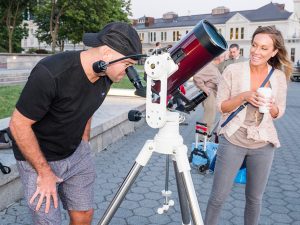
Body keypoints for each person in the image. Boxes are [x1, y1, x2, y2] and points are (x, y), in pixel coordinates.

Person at [9, 22, 142, 225]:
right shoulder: (51, 72)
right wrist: (44, 173)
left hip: (75, 153)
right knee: (48, 221)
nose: (129, 72)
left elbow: (86, 105)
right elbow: (18, 124)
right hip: (38, 157)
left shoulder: (105, 75)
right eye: (127, 65)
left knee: (83, 214)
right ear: (106, 54)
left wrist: (84, 143)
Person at [204, 26, 292, 225]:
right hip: (233, 139)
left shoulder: (277, 77)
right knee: (218, 197)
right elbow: (221, 106)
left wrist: (271, 107)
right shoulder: (233, 70)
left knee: (254, 199)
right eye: (254, 45)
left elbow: (280, 112)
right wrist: (244, 96)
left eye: (263, 48)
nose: (256, 51)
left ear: (274, 52)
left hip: (263, 144)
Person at [193, 57, 221, 134]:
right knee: (208, 117)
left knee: (210, 117)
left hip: (213, 93)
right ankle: (203, 138)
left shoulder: (214, 67)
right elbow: (196, 76)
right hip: (209, 94)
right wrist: (204, 88)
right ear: (219, 57)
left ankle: (205, 136)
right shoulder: (209, 66)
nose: (225, 58)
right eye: (224, 56)